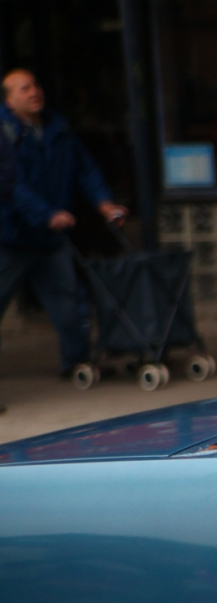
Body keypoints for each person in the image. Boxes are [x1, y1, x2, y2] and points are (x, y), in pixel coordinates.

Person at [0, 69, 128, 378]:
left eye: (36, 85)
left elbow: (85, 170)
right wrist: (46, 213)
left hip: (51, 239)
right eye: (24, 88)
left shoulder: (58, 128)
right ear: (8, 100)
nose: (34, 92)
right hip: (10, 237)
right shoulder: (4, 134)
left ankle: (76, 364)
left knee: (68, 303)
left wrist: (104, 203)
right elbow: (11, 185)